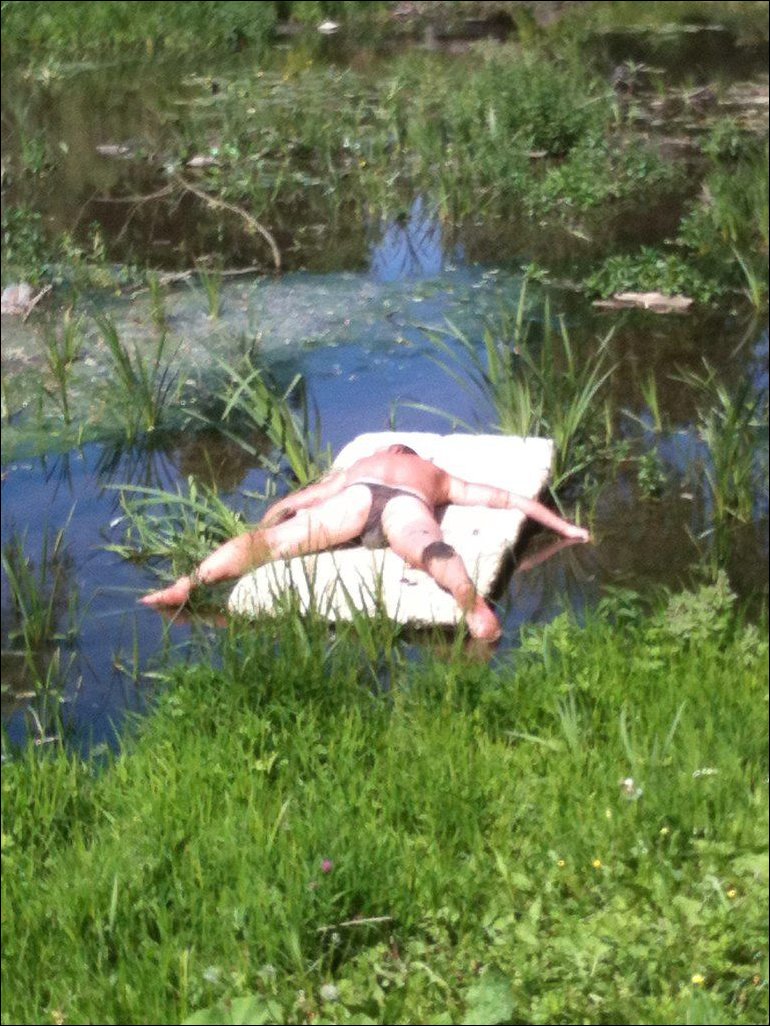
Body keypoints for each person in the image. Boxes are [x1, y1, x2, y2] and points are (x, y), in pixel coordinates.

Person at [141, 444, 590, 641]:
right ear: (410, 455)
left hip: (356, 498)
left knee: (270, 544)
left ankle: (188, 583)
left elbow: (297, 501)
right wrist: (565, 528)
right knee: (426, 548)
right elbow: (507, 499)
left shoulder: (361, 465)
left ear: (390, 452)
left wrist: (268, 522)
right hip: (408, 503)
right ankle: (470, 602)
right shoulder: (432, 473)